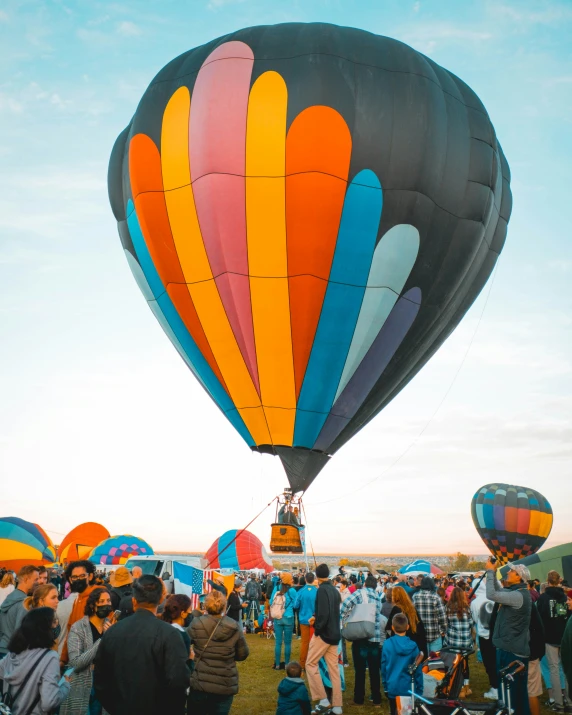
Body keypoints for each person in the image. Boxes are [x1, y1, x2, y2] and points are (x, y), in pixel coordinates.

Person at [94, 575, 190, 715]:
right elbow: (179, 681)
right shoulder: (169, 634)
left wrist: (115, 707)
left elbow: (100, 678)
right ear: (161, 599)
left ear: (134, 601)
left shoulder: (113, 632)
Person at [188, 589, 249, 714]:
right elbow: (242, 653)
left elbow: (182, 644)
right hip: (224, 682)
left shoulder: (196, 623)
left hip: (200, 681)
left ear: (205, 605)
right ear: (224, 606)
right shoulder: (234, 625)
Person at [0, 606, 71, 713]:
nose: (57, 625)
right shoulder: (50, 658)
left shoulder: (12, 654)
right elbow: (49, 702)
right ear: (44, 628)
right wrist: (65, 686)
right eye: (54, 622)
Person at [485, 559, 532, 715]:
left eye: (511, 571)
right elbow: (499, 592)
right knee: (517, 694)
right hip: (512, 648)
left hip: (511, 651)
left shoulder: (518, 596)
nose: (508, 572)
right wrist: (494, 571)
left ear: (519, 577)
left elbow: (491, 594)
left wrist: (491, 572)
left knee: (510, 696)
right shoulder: (518, 593)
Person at [60, 587, 114, 715]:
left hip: (104, 683)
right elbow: (76, 663)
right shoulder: (78, 627)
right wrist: (103, 639)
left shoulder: (111, 626)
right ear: (92, 605)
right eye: (101, 601)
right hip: (82, 683)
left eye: (108, 601)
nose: (106, 604)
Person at [340, 573, 384, 706]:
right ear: (375, 586)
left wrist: (347, 617)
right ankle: (376, 697)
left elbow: (345, 605)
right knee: (374, 671)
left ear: (365, 584)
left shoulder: (360, 593)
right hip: (375, 639)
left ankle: (359, 697)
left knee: (359, 670)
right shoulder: (377, 597)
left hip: (361, 637)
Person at [305, 564, 342, 715]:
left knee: (310, 663)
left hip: (324, 634)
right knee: (334, 670)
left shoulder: (321, 590)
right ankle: (337, 706)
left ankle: (323, 699)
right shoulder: (334, 590)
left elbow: (324, 614)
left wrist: (317, 630)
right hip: (335, 634)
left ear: (316, 576)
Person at [537, 570, 570, 712]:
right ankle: (568, 701)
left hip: (549, 638)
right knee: (567, 669)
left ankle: (558, 703)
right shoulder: (564, 597)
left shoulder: (543, 598)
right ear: (559, 581)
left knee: (554, 669)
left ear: (548, 581)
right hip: (564, 637)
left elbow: (539, 618)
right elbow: (565, 616)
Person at [381, 613, 423, 715]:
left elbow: (383, 668)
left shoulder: (387, 644)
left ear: (392, 627)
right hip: (409, 688)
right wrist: (419, 689)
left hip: (393, 686)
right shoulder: (413, 646)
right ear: (407, 627)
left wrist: (386, 686)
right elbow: (418, 669)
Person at [57, 560, 98, 658]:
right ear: (70, 580)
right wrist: (63, 659)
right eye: (74, 577)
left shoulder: (99, 596)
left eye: (82, 576)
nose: (78, 579)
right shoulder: (78, 599)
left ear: (90, 576)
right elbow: (70, 631)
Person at [0, 565, 40, 657]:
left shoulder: (9, 599)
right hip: (13, 653)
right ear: (26, 579)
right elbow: (21, 633)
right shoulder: (25, 603)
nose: (38, 582)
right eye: (36, 579)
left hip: (3, 648)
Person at [470, 575, 498, 700]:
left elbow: (475, 620)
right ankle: (498, 686)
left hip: (483, 636)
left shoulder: (475, 603)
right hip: (496, 636)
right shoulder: (493, 599)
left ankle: (494, 687)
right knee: (497, 662)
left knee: (488, 663)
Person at [443, 587, 474, 695]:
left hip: (452, 642)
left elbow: (445, 624)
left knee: (454, 664)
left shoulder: (448, 608)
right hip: (465, 642)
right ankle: (466, 687)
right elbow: (471, 624)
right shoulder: (467, 608)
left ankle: (456, 686)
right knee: (465, 664)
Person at [387, 586, 427, 659]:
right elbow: (420, 628)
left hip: (401, 645)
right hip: (414, 644)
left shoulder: (396, 609)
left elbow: (389, 628)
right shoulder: (412, 609)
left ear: (395, 597)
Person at [412, 576, 447, 652]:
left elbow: (412, 615)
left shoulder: (415, 596)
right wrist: (443, 630)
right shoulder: (436, 597)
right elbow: (442, 617)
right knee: (435, 661)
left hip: (420, 634)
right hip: (434, 633)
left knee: (423, 660)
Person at [271, 573, 296, 670]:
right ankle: (286, 664)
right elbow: (296, 604)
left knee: (278, 642)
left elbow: (270, 602)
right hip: (288, 617)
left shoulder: (276, 588)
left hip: (278, 617)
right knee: (288, 643)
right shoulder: (292, 591)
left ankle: (277, 664)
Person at [293, 572, 318, 672]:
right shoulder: (317, 591)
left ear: (305, 579)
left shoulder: (301, 592)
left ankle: (302, 664)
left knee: (305, 642)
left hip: (303, 620)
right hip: (315, 620)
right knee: (315, 643)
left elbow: (295, 605)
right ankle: (313, 662)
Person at [161, 594, 192, 658]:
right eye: (189, 611)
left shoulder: (159, 629)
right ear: (183, 614)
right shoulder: (182, 636)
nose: (190, 614)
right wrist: (190, 660)